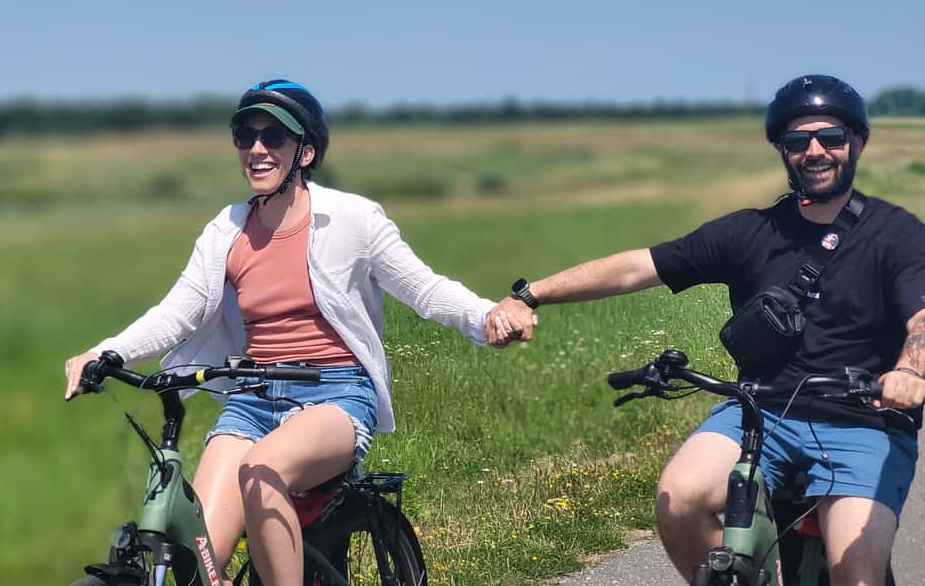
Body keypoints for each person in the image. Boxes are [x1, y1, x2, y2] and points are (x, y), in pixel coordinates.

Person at [63, 79, 535, 585]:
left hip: (334, 395)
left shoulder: (352, 220)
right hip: (251, 402)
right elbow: (179, 312)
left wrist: (486, 317)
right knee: (197, 559)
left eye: (274, 136)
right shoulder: (227, 230)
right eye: (246, 135)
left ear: (305, 151)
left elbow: (424, 288)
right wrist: (106, 351)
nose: (258, 149)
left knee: (261, 472)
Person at [490, 74, 925, 585]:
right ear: (782, 151)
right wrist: (530, 294)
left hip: (863, 422)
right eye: (796, 141)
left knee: (857, 570)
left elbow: (922, 317)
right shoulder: (750, 231)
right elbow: (637, 267)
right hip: (763, 413)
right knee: (680, 498)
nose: (814, 151)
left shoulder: (897, 234)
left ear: (857, 143)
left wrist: (909, 370)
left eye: (830, 138)